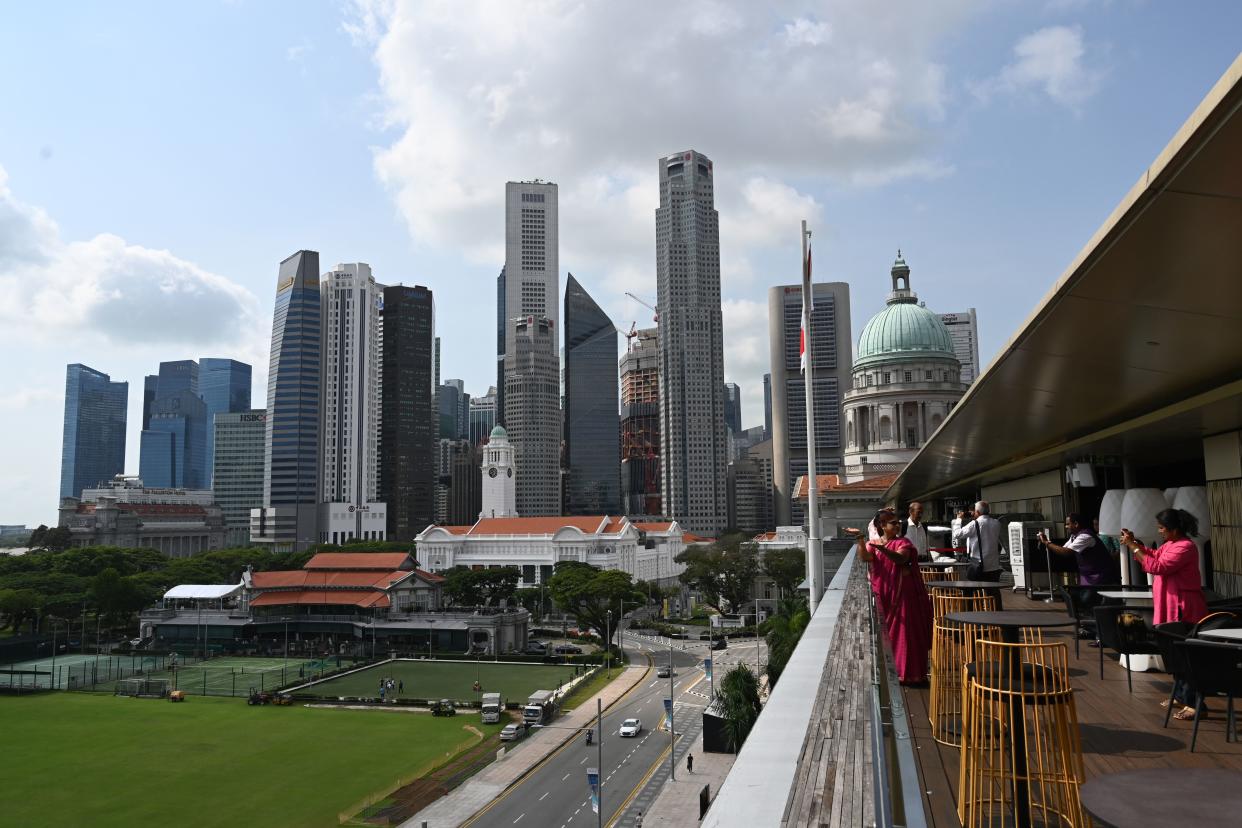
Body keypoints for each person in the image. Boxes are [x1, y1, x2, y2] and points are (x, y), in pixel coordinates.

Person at [1121, 508, 1207, 721]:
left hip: (1183, 609)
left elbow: (1158, 566)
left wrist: (1133, 546)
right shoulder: (1171, 545)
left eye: (1162, 528)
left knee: (1185, 658)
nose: (1160, 532)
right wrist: (1136, 543)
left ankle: (1196, 704)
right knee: (1173, 656)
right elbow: (1153, 555)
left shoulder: (1186, 547)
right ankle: (1180, 695)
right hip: (1169, 607)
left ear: (1175, 529)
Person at [856, 512, 933, 684]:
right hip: (884, 596)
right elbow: (865, 557)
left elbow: (901, 558)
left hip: (904, 595)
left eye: (898, 523)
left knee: (907, 634)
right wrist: (860, 539)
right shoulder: (873, 543)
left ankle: (911, 674)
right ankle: (894, 671)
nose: (898, 526)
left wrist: (883, 549)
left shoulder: (903, 542)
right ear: (882, 525)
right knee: (889, 634)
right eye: (893, 523)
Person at [1038, 513, 1120, 585]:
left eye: (1067, 524)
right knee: (1085, 599)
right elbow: (1063, 549)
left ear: (1076, 524)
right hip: (1088, 575)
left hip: (1099, 575)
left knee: (1087, 600)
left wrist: (1047, 543)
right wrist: (1046, 541)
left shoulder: (1085, 536)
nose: (1065, 527)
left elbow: (1066, 552)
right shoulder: (1074, 536)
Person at [958, 501, 1003, 582]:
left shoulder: (974, 524)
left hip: (978, 565)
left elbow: (957, 534)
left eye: (974, 511)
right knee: (992, 590)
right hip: (993, 565)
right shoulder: (997, 523)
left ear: (977, 512)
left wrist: (958, 520)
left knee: (976, 591)